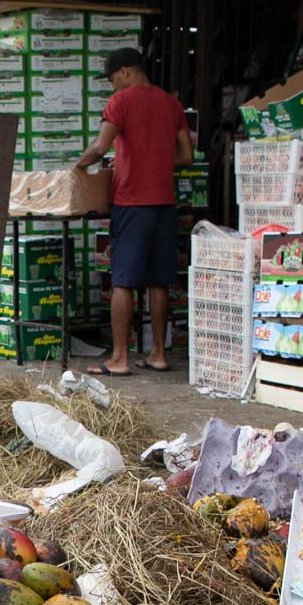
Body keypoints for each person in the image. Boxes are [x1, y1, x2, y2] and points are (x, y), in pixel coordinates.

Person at [75, 47, 193, 376]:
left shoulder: (121, 102)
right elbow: (187, 156)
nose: (112, 86)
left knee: (123, 281)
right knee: (159, 281)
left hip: (131, 202)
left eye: (113, 79)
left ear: (125, 71)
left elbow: (100, 147)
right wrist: (156, 159)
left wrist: (77, 168)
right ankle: (158, 354)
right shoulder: (171, 103)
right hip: (164, 203)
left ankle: (119, 358)